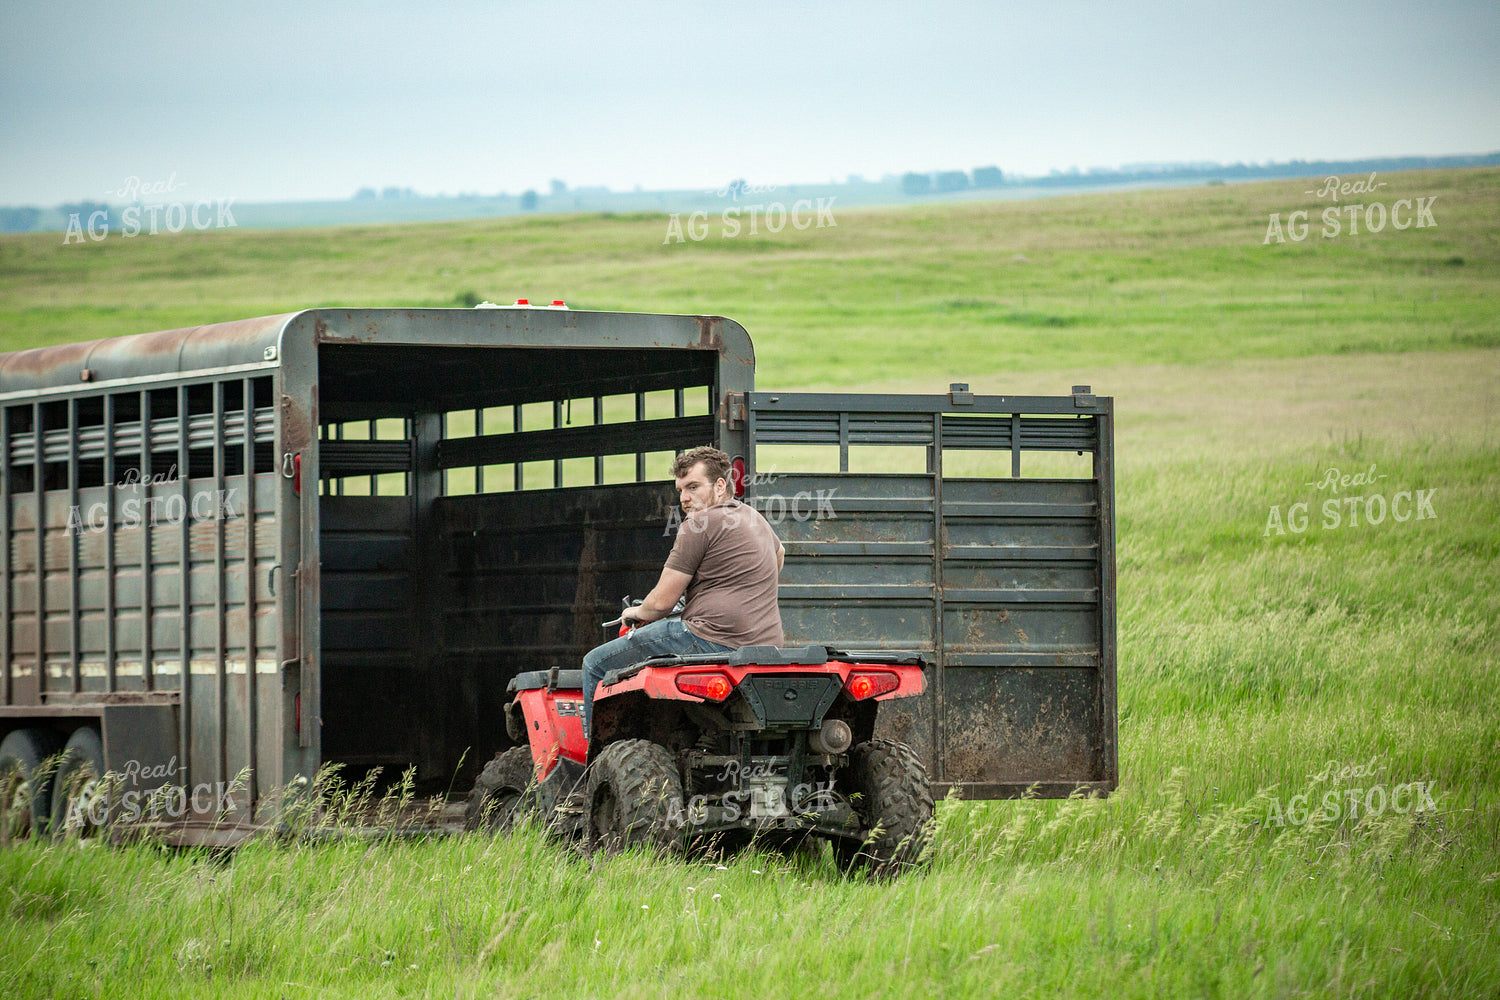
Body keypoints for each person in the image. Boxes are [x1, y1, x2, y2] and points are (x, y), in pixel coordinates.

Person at [581, 446, 784, 739]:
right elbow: (780, 554)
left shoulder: (698, 523)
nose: (685, 499)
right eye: (680, 490)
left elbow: (661, 603)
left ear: (720, 485)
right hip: (767, 644)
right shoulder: (753, 517)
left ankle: (593, 768)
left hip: (710, 638)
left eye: (692, 487)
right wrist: (747, 589)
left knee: (594, 665)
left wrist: (635, 612)